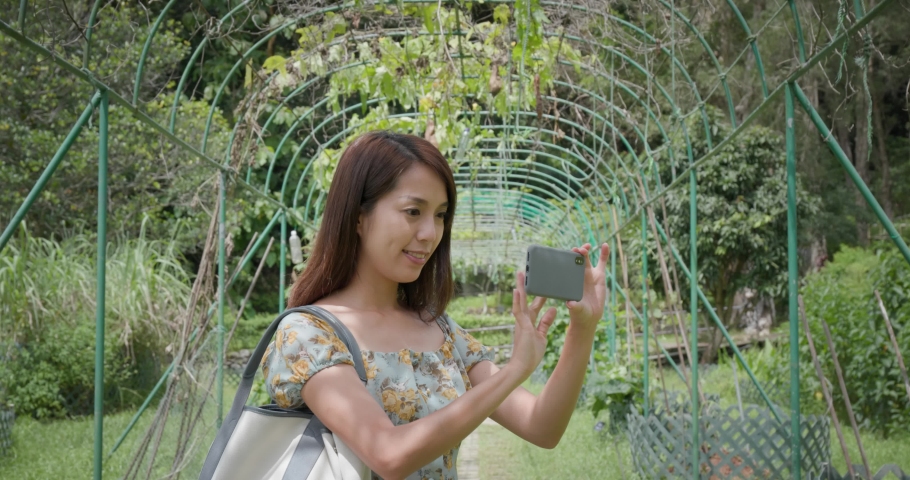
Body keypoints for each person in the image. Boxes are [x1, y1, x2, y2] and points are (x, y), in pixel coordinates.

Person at [261, 131, 609, 480]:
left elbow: (542, 427)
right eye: (413, 211)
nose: (430, 232)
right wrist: (515, 369)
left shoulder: (440, 330)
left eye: (440, 215)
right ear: (358, 217)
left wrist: (583, 328)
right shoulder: (308, 335)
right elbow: (388, 454)